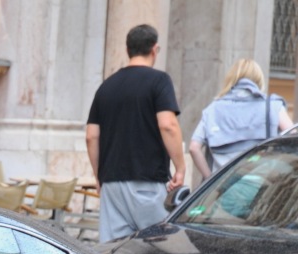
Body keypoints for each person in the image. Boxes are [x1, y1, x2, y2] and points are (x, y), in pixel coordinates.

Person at [85, 24, 185, 242]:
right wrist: (180, 166)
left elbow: (91, 136)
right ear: (154, 49)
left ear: (127, 49)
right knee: (161, 249)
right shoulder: (159, 81)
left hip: (112, 185)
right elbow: (168, 124)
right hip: (147, 183)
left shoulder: (106, 87)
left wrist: (99, 176)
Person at [189, 58, 293, 180]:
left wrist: (210, 179)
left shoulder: (213, 109)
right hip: (262, 186)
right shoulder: (272, 106)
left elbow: (194, 148)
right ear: (259, 79)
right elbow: (293, 136)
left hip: (222, 189)